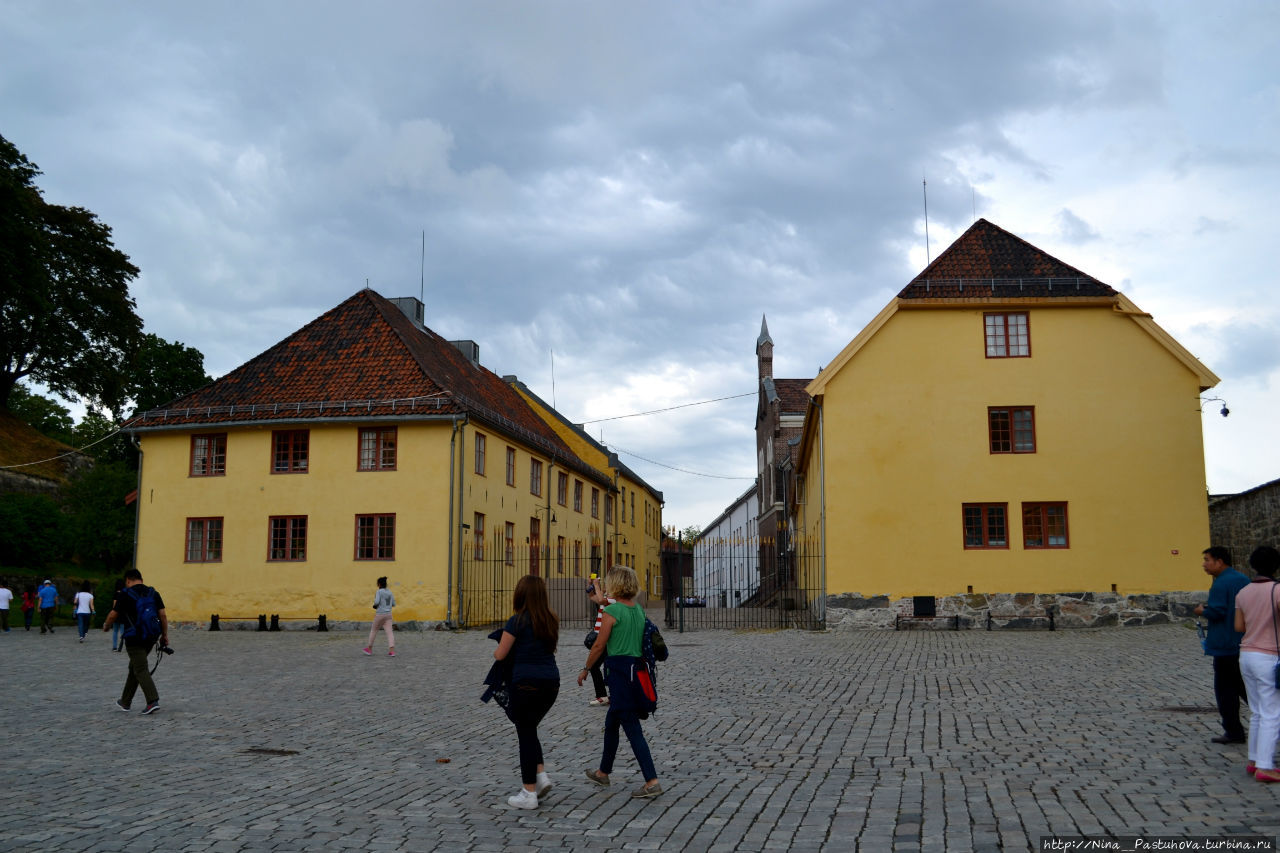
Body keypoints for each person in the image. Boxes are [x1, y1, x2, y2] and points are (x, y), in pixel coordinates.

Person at [578, 565, 663, 799]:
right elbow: (616, 607)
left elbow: (598, 646)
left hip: (619, 674)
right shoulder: (637, 610)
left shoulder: (611, 613)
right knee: (612, 723)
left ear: (615, 584)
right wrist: (600, 599)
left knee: (633, 729)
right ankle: (603, 772)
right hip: (636, 671)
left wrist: (585, 669)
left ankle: (652, 781)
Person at [493, 575, 560, 809]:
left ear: (520, 595)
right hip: (551, 684)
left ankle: (528, 792)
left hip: (525, 684)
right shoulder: (551, 619)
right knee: (529, 728)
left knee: (525, 734)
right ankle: (540, 777)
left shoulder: (517, 621)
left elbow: (500, 654)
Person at [1233, 546, 1280, 782]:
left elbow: (1239, 627)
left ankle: (1254, 759)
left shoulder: (1243, 592)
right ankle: (1265, 765)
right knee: (1273, 712)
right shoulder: (1277, 590)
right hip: (1269, 655)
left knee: (1257, 711)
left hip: (1247, 655)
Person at [1194, 546, 1250, 744]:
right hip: (1243, 641)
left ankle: (1233, 730)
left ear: (1219, 562)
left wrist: (1203, 611)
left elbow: (1217, 611)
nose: (1204, 564)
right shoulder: (1243, 580)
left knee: (1226, 691)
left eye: (1207, 560)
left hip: (1225, 644)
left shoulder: (1221, 583)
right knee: (1245, 687)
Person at [102, 568, 168, 715]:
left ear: (128, 580)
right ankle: (125, 701)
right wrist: (164, 635)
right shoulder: (153, 593)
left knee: (140, 668)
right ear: (141, 579)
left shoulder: (125, 594)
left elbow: (113, 614)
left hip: (133, 638)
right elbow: (162, 615)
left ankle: (152, 701)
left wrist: (106, 625)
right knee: (135, 667)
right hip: (151, 637)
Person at [586, 575, 615, 707]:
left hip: (608, 640)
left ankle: (604, 696)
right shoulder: (607, 599)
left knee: (597, 666)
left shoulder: (613, 600)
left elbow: (602, 600)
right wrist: (590, 586)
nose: (605, 587)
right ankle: (605, 695)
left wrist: (597, 586)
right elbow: (593, 597)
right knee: (598, 667)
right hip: (602, 638)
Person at [363, 576, 395, 657]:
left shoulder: (379, 592)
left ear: (379, 584)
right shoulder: (390, 592)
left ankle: (369, 649)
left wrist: (375, 606)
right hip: (389, 614)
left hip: (380, 614)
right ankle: (392, 651)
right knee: (389, 632)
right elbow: (393, 604)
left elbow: (377, 602)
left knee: (374, 630)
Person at [109, 578, 126, 651]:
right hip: (123, 614)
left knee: (115, 631)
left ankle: (114, 646)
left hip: (116, 614)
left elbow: (114, 605)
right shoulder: (125, 594)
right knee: (123, 631)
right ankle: (122, 646)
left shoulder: (116, 594)